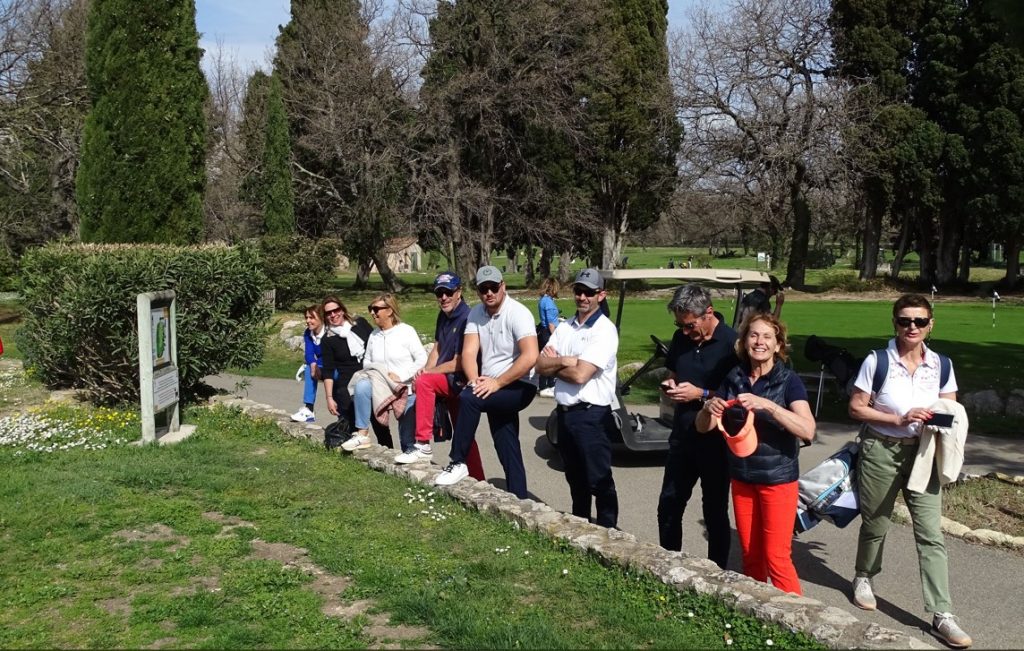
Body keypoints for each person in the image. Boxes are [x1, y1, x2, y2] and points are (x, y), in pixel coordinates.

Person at [847, 294, 971, 649]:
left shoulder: (942, 365)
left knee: (931, 534)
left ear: (931, 324)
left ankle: (942, 614)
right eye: (904, 321)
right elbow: (856, 408)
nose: (911, 327)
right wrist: (897, 418)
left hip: (924, 455)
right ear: (895, 323)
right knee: (876, 523)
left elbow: (952, 411)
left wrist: (938, 418)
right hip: (880, 450)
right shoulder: (878, 360)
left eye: (919, 321)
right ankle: (864, 577)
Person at [696, 314, 815, 594]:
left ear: (778, 345)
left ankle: (799, 623)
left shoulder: (789, 381)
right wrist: (707, 409)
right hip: (742, 478)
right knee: (750, 555)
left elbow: (808, 430)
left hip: (777, 481)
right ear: (743, 342)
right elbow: (705, 428)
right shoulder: (734, 377)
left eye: (767, 337)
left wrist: (768, 406)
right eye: (753, 335)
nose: (759, 342)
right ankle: (758, 613)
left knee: (776, 557)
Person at [434, 265, 539, 498]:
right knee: (505, 441)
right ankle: (519, 498)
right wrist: (475, 381)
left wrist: (496, 383)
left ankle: (458, 461)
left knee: (468, 399)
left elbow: (530, 356)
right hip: (492, 385)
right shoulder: (476, 314)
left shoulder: (518, 313)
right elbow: (469, 353)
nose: (489, 293)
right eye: (484, 289)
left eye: (493, 287)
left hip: (520, 385)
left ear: (503, 286)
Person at [657, 284, 738, 569]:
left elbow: (738, 397)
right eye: (680, 325)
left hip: (716, 441)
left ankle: (716, 573)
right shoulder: (682, 338)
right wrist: (671, 383)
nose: (685, 331)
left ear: (709, 313)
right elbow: (674, 372)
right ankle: (670, 566)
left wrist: (701, 394)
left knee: (714, 511)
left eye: (690, 325)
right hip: (683, 435)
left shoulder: (732, 344)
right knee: (669, 504)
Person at [536, 268, 619, 527]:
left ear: (601, 295)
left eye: (589, 293)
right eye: (579, 291)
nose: (582, 297)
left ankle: (609, 533)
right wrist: (563, 360)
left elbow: (582, 374)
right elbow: (539, 365)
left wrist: (556, 365)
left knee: (599, 480)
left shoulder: (604, 330)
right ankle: (581, 527)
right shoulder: (565, 327)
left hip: (591, 414)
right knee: (575, 478)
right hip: (565, 413)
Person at [395, 272, 485, 480]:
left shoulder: (466, 317)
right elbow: (436, 349)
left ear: (459, 292)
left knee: (425, 382)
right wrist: (425, 368)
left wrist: (427, 374)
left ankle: (423, 445)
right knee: (464, 435)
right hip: (447, 381)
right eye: (439, 293)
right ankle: (478, 480)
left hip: (460, 381)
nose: (443, 297)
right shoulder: (442, 315)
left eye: (448, 292)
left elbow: (460, 361)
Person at [341, 293, 427, 452]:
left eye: (376, 309)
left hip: (405, 388)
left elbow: (422, 358)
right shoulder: (374, 335)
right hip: (381, 385)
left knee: (407, 438)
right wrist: (379, 374)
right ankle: (362, 434)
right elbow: (367, 360)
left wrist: (402, 376)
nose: (372, 313)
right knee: (361, 386)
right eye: (370, 309)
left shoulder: (406, 331)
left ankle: (410, 460)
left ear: (389, 311)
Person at [321, 296, 373, 435]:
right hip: (347, 385)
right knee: (353, 426)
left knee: (380, 424)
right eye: (328, 313)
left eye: (336, 310)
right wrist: (329, 398)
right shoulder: (328, 339)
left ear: (342, 310)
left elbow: (375, 345)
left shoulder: (360, 324)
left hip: (369, 376)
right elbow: (328, 371)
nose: (333, 315)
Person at [291, 305, 326, 423]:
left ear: (321, 318)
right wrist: (312, 364)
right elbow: (309, 353)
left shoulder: (329, 333)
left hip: (333, 367)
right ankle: (309, 409)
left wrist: (315, 364)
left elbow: (329, 356)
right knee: (308, 369)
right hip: (322, 366)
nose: (308, 321)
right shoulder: (308, 333)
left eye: (312, 317)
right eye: (306, 317)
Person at [536, 277, 560, 398]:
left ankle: (548, 384)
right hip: (548, 333)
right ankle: (546, 386)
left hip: (543, 331)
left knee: (547, 358)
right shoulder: (549, 303)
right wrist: (556, 336)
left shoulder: (543, 300)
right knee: (550, 360)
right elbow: (551, 323)